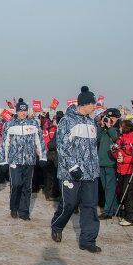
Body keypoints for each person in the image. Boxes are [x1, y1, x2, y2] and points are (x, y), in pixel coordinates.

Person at [51, 86, 101, 253]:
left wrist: (94, 167)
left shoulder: (91, 121)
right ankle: (57, 225)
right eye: (93, 103)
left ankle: (88, 240)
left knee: (90, 206)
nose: (95, 106)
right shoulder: (67, 121)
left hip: (91, 174)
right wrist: (73, 166)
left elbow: (93, 148)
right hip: (71, 173)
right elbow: (63, 147)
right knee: (69, 204)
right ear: (85, 103)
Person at [1, 98, 47, 220]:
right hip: (14, 160)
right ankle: (14, 207)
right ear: (16, 111)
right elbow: (4, 144)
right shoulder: (9, 124)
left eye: (25, 111)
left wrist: (42, 157)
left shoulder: (33, 123)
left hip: (29, 160)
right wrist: (4, 161)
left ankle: (24, 211)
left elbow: (39, 141)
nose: (23, 113)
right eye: (20, 111)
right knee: (16, 184)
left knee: (27, 186)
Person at [111, 120, 133, 226]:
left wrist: (124, 159)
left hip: (131, 170)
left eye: (121, 127)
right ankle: (126, 214)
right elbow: (117, 152)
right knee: (122, 192)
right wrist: (114, 151)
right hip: (121, 168)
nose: (119, 129)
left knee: (128, 193)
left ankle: (131, 218)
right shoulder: (121, 138)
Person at [97, 108, 120, 220]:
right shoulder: (104, 129)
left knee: (110, 188)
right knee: (106, 187)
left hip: (111, 163)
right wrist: (102, 126)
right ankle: (113, 208)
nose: (110, 120)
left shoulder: (118, 129)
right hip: (102, 162)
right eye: (108, 117)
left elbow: (117, 138)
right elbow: (96, 139)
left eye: (112, 118)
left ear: (117, 118)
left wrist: (110, 127)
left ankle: (108, 211)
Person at [43, 111, 62, 201]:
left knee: (51, 176)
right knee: (51, 175)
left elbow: (49, 143)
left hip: (53, 154)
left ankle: (51, 193)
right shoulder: (51, 129)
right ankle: (51, 193)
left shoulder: (55, 129)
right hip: (53, 154)